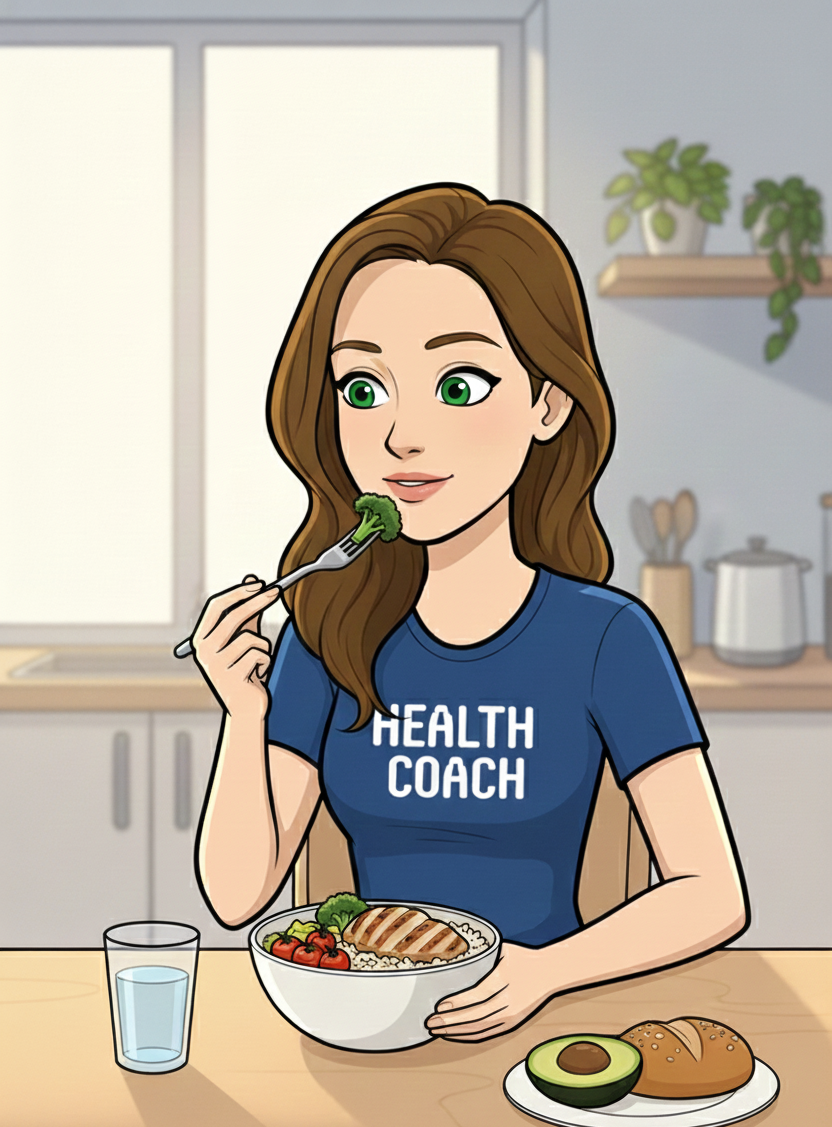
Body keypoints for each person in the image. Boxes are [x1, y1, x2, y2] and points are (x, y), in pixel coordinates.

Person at [193, 185, 748, 1041]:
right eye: (364, 386)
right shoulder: (329, 625)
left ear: (547, 403)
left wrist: (545, 974)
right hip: (367, 1032)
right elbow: (237, 897)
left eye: (460, 383)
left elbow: (714, 893)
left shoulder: (607, 636)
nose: (401, 437)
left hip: (549, 1029)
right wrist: (244, 710)